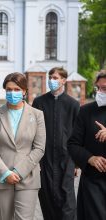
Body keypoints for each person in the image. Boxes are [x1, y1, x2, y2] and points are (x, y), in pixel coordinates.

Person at [0, 72, 46, 220]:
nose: (13, 93)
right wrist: (5, 173)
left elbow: (39, 148)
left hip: (28, 176)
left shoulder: (37, 115)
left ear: (24, 91)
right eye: (9, 89)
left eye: (17, 89)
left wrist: (18, 171)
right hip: (2, 177)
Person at [32, 67, 80, 220]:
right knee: (46, 195)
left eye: (55, 78)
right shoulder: (39, 102)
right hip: (44, 158)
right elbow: (32, 130)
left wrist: (77, 163)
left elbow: (77, 134)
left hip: (66, 158)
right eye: (50, 77)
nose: (51, 81)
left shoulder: (73, 104)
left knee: (67, 198)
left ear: (63, 80)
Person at [67, 72, 106, 220]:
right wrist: (90, 158)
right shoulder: (86, 111)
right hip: (93, 183)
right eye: (100, 88)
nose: (102, 92)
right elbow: (73, 144)